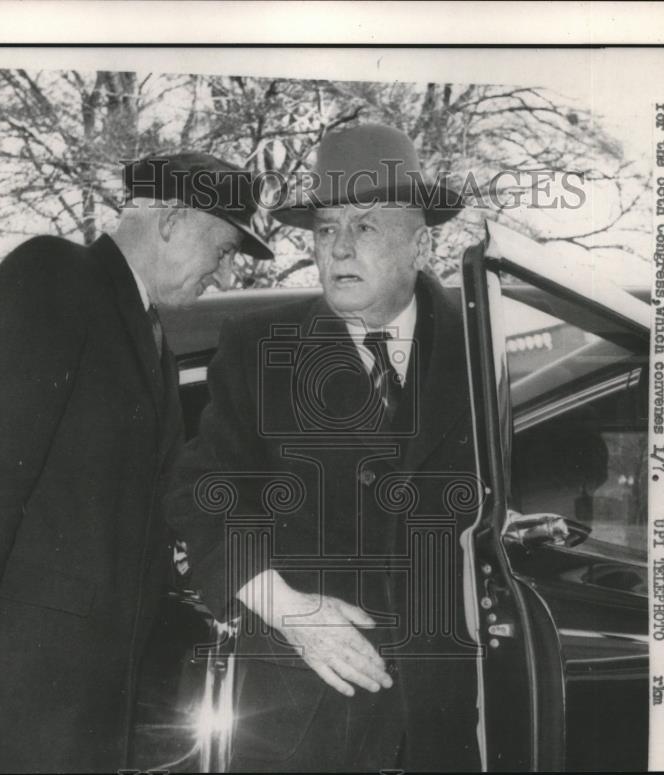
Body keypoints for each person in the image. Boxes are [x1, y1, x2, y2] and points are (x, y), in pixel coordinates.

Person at [0, 153, 273, 774]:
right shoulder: (56, 274)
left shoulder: (150, 338)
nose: (221, 276)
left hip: (72, 693)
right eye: (222, 251)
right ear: (172, 219)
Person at [168, 124, 482, 771]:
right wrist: (286, 607)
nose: (339, 247)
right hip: (300, 723)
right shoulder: (261, 348)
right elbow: (203, 494)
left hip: (443, 724)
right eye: (325, 228)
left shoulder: (480, 351)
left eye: (365, 226)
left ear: (420, 241)